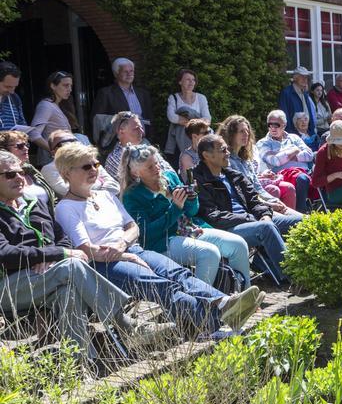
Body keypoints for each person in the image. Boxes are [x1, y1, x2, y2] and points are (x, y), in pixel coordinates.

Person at [53, 143, 264, 337]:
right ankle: (215, 322)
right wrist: (124, 254)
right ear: (67, 173)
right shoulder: (66, 207)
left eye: (95, 164)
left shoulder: (105, 196)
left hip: (132, 250)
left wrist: (123, 245)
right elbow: (86, 249)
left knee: (177, 274)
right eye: (85, 167)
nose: (93, 170)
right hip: (105, 263)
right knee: (162, 286)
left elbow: (132, 227)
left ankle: (225, 303)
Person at [0, 150, 175, 365]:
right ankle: (127, 325)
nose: (19, 178)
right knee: (73, 264)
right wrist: (56, 254)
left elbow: (60, 236)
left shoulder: (32, 203)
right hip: (9, 286)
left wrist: (53, 257)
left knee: (68, 293)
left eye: (21, 172)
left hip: (47, 274)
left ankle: (82, 364)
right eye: (10, 175)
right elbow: (5, 254)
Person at [120, 144, 251, 287]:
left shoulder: (169, 177)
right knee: (209, 253)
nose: (157, 168)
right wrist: (175, 208)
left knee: (238, 244)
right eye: (150, 167)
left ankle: (244, 292)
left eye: (156, 163)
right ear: (135, 173)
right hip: (162, 242)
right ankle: (202, 304)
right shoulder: (132, 196)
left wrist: (191, 198)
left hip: (190, 229)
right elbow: (146, 234)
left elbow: (192, 212)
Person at [194, 134, 301, 285]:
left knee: (301, 221)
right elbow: (213, 217)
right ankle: (296, 278)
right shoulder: (199, 182)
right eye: (223, 150)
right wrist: (250, 218)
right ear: (207, 155)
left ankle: (312, 267)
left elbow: (254, 200)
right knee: (266, 228)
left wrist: (264, 214)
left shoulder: (234, 176)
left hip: (254, 220)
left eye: (227, 148)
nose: (228, 153)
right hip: (227, 229)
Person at [218, 115, 302, 217]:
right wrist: (270, 205)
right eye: (241, 131)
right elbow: (243, 195)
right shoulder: (227, 162)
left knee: (305, 218)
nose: (246, 134)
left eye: (247, 131)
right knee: (297, 221)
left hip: (262, 204)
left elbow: (258, 188)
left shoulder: (246, 160)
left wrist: (275, 201)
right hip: (251, 210)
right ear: (231, 134)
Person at [256, 110, 313, 213]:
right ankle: (301, 213)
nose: (272, 128)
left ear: (284, 125)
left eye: (276, 125)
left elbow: (309, 155)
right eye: (270, 125)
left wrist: (286, 156)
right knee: (302, 179)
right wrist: (294, 150)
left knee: (311, 176)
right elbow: (275, 161)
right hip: (281, 175)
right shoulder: (263, 143)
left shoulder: (294, 138)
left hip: (303, 171)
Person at [42, 131, 120, 198]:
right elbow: (67, 190)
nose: (72, 144)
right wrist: (101, 183)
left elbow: (115, 186)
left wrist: (87, 188)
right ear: (53, 152)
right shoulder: (49, 169)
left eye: (74, 140)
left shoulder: (91, 161)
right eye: (65, 143)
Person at [92, 58, 154, 139]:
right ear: (116, 73)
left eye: (131, 71)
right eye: (125, 71)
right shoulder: (106, 93)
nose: (129, 74)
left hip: (142, 139)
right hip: (118, 141)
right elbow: (97, 119)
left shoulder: (143, 93)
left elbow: (149, 118)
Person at [104, 111, 169, 182]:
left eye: (141, 128)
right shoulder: (116, 158)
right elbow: (141, 184)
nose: (142, 132)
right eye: (136, 129)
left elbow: (168, 169)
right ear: (121, 131)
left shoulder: (146, 147)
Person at [165, 68, 211, 161]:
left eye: (193, 80)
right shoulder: (174, 98)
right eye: (188, 79)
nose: (191, 82)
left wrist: (189, 122)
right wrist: (194, 121)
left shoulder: (201, 98)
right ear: (180, 82)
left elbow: (207, 118)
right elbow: (171, 117)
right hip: (181, 136)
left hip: (199, 135)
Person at [0, 130, 56, 207]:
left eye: (26, 145)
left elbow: (52, 197)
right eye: (20, 146)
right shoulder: (3, 175)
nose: (26, 148)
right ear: (4, 150)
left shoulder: (31, 170)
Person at [31, 70, 80, 159]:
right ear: (53, 86)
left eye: (71, 86)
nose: (70, 89)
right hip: (53, 160)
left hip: (64, 158)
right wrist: (53, 151)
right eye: (65, 85)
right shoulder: (46, 105)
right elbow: (34, 134)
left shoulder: (59, 105)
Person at [0, 61, 47, 151]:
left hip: (14, 155)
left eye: (14, 87)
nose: (12, 91)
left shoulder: (14, 98)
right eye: (7, 86)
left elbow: (21, 123)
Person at [277, 66, 317, 135]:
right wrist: (289, 134)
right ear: (295, 78)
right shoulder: (286, 93)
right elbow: (284, 115)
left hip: (307, 133)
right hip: (293, 134)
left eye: (306, 77)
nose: (305, 79)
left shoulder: (305, 94)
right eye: (302, 77)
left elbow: (309, 113)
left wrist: (312, 132)